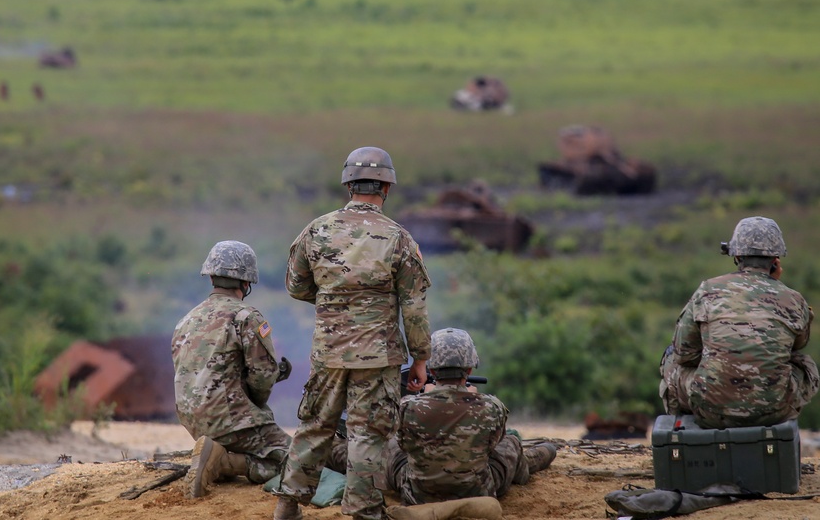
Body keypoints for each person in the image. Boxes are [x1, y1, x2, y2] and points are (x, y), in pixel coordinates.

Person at [274, 146, 433, 520]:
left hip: (328, 350)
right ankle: (363, 512)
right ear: (386, 188)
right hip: (379, 356)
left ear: (348, 184)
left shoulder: (317, 230)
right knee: (367, 434)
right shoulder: (400, 239)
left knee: (315, 425)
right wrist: (421, 358)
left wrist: (333, 303)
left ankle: (288, 503)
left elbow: (296, 286)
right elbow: (414, 306)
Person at [660, 216, 819, 428]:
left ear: (736, 255)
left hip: (710, 411)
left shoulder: (707, 290)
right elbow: (797, 344)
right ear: (775, 259)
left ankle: (682, 433)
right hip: (774, 411)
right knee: (805, 364)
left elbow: (683, 353)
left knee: (670, 361)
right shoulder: (794, 299)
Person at [385, 328, 558, 510]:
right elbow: (492, 447)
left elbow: (404, 445)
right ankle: (534, 460)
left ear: (432, 371)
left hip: (417, 494)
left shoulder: (408, 406)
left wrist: (426, 397)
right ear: (469, 369)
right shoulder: (492, 407)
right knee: (511, 441)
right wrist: (471, 399)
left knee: (389, 443)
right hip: (478, 491)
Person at [171, 240, 293, 498]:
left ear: (211, 276)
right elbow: (261, 379)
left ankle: (212, 451)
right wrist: (260, 395)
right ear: (246, 282)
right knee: (298, 464)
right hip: (232, 422)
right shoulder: (247, 317)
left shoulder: (186, 320)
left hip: (193, 421)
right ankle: (221, 462)